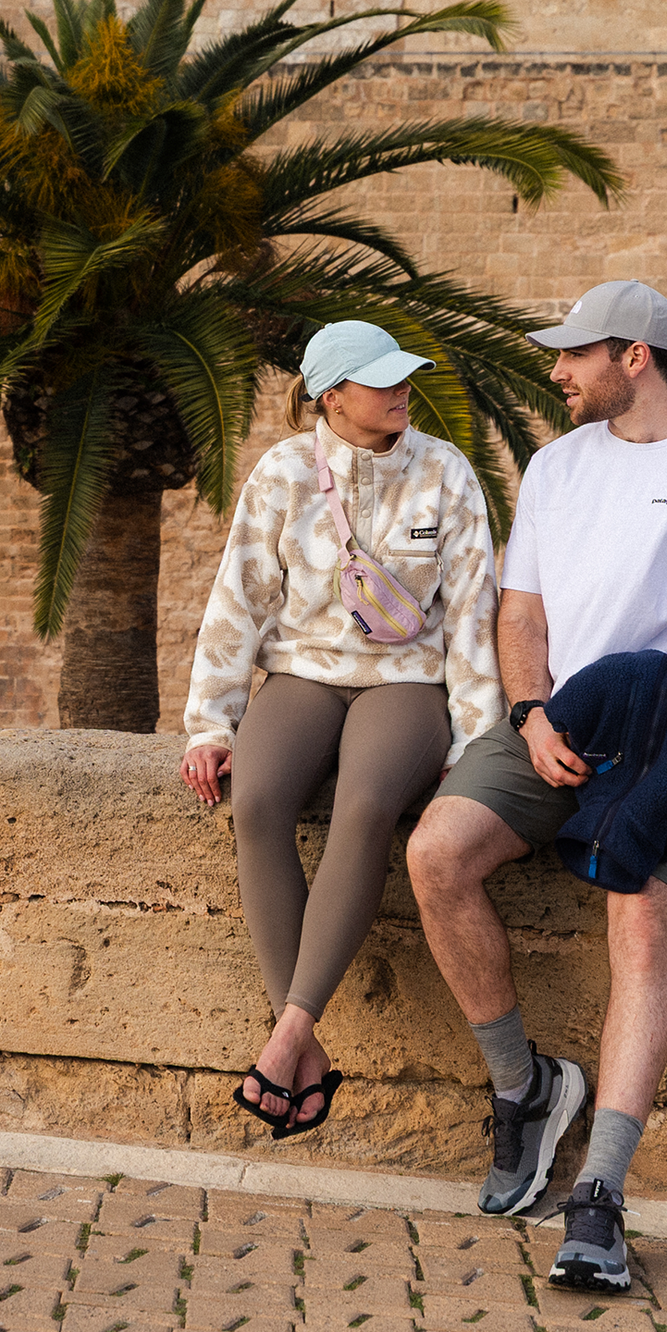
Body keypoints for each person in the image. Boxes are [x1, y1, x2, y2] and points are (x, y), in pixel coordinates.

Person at [406, 280, 667, 1292]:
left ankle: (601, 1196)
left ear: (634, 356)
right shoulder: (552, 467)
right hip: (555, 729)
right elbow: (522, 610)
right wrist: (534, 715)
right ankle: (524, 1087)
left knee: (640, 931)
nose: (555, 370)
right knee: (436, 854)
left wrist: (662, 704)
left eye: (574, 353)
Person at [182, 320, 503, 1138]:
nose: (402, 390)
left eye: (404, 378)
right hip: (303, 675)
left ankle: (289, 1032)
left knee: (365, 806)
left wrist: (473, 744)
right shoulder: (283, 474)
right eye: (382, 380)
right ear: (332, 397)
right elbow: (239, 600)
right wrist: (209, 726)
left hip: (406, 683)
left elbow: (472, 619)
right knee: (254, 803)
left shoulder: (444, 473)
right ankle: (308, 1052)